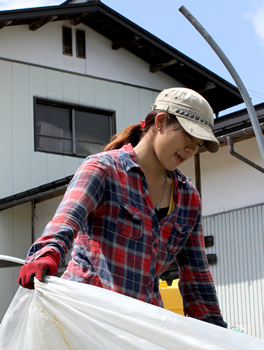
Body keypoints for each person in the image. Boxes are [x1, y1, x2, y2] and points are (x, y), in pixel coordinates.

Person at [18, 87, 227, 328]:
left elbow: (197, 276)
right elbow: (67, 219)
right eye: (189, 137)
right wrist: (47, 254)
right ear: (160, 122)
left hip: (140, 326)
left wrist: (217, 331)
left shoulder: (188, 198)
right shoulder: (103, 169)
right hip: (82, 319)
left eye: (198, 144)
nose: (192, 150)